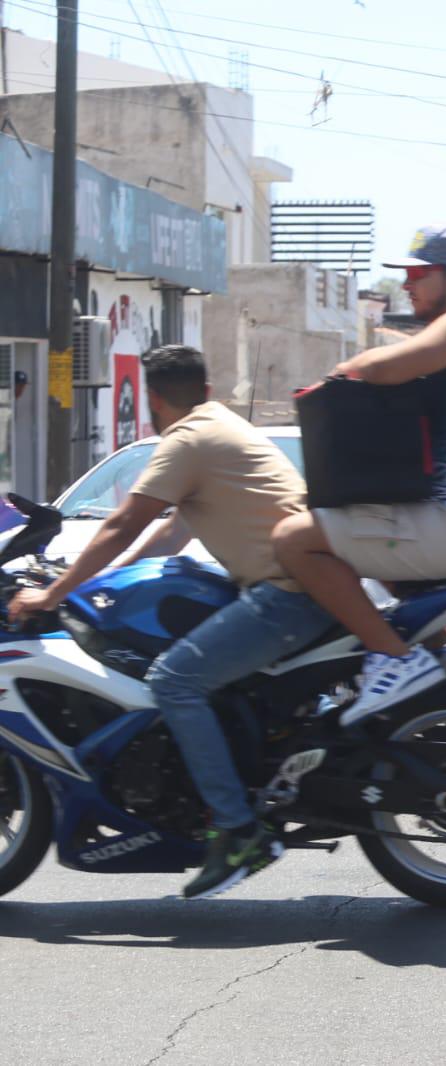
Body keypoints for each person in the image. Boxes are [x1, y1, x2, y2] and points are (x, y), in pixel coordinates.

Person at [9, 345, 330, 899]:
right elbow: (170, 531)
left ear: (153, 399)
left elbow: (124, 523)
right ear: (203, 389)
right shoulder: (219, 425)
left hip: (285, 596)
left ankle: (237, 830)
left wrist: (55, 593)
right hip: (300, 587)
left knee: (174, 682)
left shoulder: (185, 441)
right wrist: (100, 583)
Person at [273, 223, 446, 722]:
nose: (407, 284)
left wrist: (340, 372)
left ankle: (395, 660)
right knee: (351, 532)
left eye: (418, 273)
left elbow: (380, 368)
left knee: (293, 540)